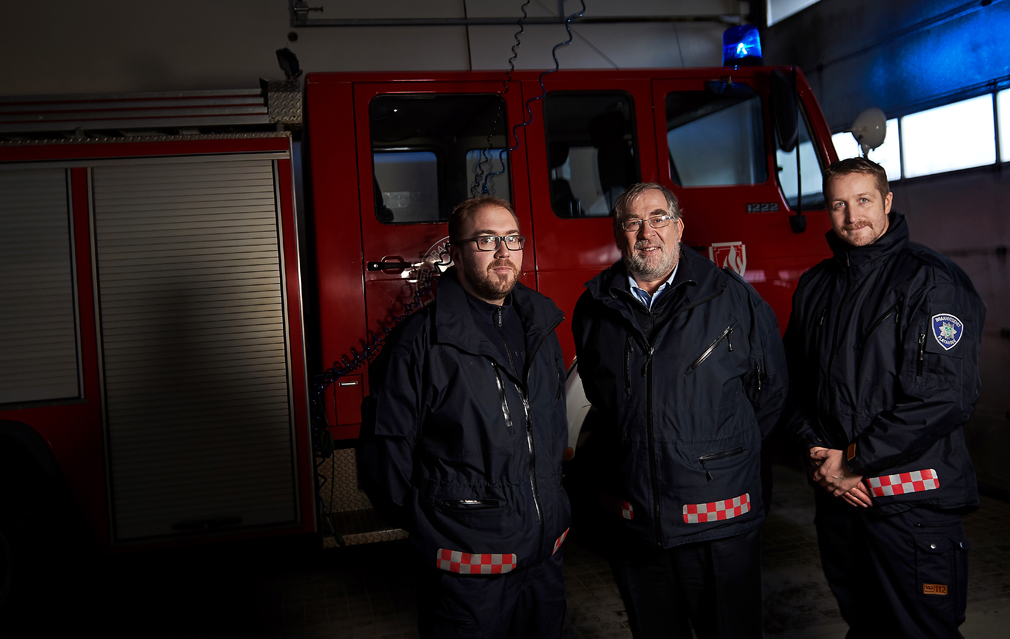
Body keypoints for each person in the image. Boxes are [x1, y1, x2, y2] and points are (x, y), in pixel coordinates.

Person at [571, 182, 788, 638]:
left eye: (659, 219)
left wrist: (711, 456)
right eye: (633, 222)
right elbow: (602, 395)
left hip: (718, 520)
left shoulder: (733, 300)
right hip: (636, 521)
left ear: (679, 228)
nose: (646, 232)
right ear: (618, 234)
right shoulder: (593, 307)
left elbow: (768, 396)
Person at [783, 157, 984, 638]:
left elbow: (944, 398)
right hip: (841, 507)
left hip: (911, 509)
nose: (853, 217)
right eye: (839, 204)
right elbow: (789, 386)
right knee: (865, 626)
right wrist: (818, 453)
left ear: (888, 202)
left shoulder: (931, 282)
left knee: (921, 631)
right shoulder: (815, 287)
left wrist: (852, 461)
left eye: (865, 200)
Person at [358, 195, 571, 639]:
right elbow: (386, 457)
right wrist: (440, 527)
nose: (502, 252)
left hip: (543, 562)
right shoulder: (422, 341)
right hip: (468, 574)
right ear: (453, 253)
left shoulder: (542, 329)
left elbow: (550, 435)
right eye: (486, 239)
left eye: (512, 239)